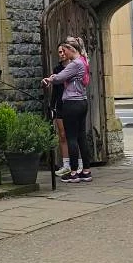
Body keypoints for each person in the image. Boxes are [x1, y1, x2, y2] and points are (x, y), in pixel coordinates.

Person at [43, 38, 92, 183]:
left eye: (65, 50)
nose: (64, 53)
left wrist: (50, 79)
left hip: (71, 103)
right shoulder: (84, 60)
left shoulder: (75, 64)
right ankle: (86, 171)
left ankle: (73, 172)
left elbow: (60, 78)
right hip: (82, 101)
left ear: (72, 50)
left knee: (71, 137)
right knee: (81, 136)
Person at [46, 59, 70, 177]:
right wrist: (52, 105)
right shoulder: (57, 69)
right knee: (62, 134)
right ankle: (66, 165)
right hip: (60, 104)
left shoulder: (74, 67)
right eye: (59, 52)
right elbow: (55, 89)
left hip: (71, 103)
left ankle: (78, 164)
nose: (60, 54)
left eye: (62, 52)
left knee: (73, 135)